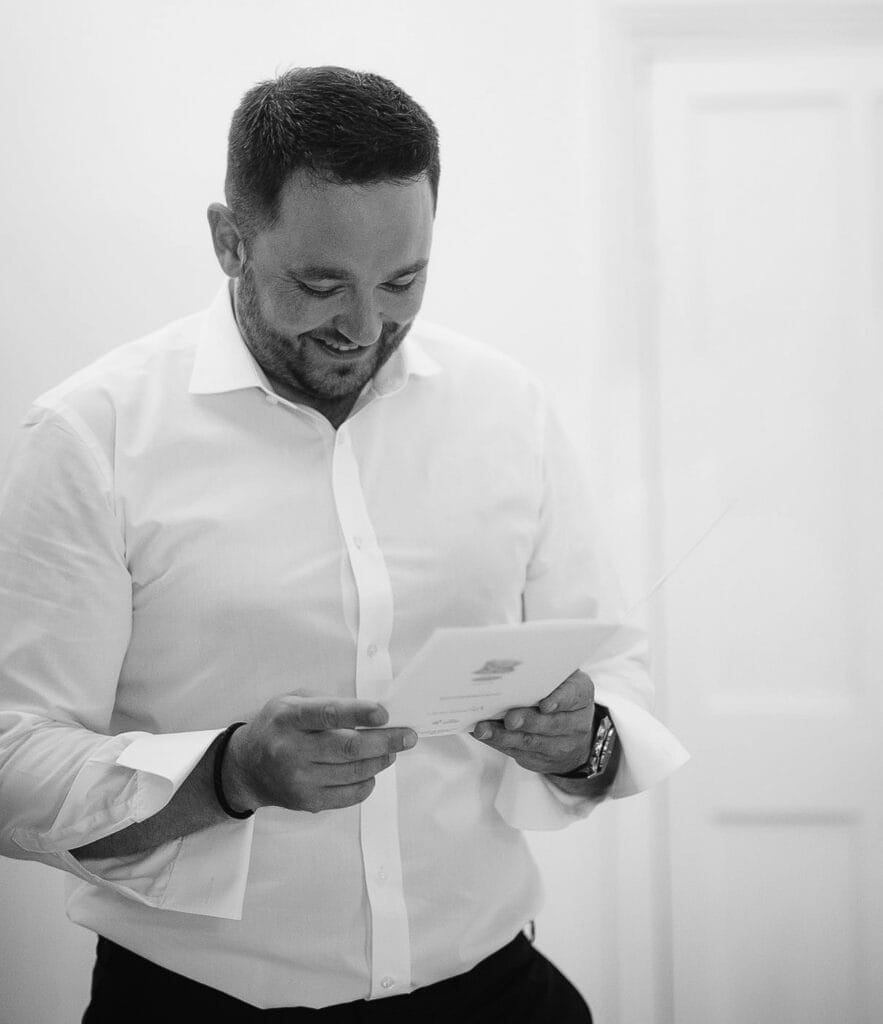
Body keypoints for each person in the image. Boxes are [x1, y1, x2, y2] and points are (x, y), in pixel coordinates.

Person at [0, 66, 678, 1022]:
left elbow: (617, 680)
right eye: (320, 285)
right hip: (201, 1004)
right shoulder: (90, 435)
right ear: (229, 240)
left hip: (491, 986)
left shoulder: (505, 410)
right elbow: (11, 758)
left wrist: (583, 739)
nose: (364, 328)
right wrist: (228, 772)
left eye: (403, 280)